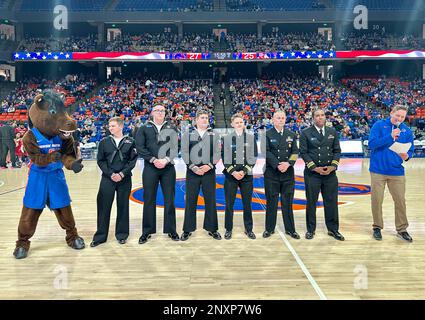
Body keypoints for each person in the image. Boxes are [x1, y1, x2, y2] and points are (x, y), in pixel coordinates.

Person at [368, 104, 415, 242]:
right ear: (391, 113)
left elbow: (410, 150)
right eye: (397, 115)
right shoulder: (378, 125)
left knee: (400, 201)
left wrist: (407, 156)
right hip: (378, 170)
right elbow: (372, 144)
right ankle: (377, 227)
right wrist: (389, 136)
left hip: (397, 171)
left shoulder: (406, 131)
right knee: (377, 200)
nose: (399, 118)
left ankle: (402, 229)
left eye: (402, 117)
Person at [135, 104, 179, 244]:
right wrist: (154, 160)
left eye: (162, 110)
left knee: (169, 200)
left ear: (165, 113)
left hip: (168, 168)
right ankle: (147, 231)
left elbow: (175, 147)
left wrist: (165, 160)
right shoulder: (143, 128)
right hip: (150, 168)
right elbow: (140, 148)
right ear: (152, 112)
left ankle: (171, 230)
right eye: (157, 110)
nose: (160, 112)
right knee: (148, 199)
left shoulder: (171, 128)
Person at [90, 117, 138, 247]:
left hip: (125, 178)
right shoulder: (104, 142)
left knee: (123, 206)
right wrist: (111, 174)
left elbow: (132, 161)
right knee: (103, 207)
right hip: (108, 179)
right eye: (109, 126)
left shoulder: (131, 141)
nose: (110, 128)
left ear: (121, 126)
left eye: (113, 126)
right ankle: (100, 236)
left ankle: (122, 235)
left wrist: (122, 173)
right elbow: (100, 160)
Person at [300, 108, 345, 241]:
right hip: (312, 174)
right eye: (317, 116)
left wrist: (333, 166)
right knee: (311, 202)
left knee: (331, 202)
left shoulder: (332, 132)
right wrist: (314, 168)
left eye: (322, 115)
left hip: (330, 174)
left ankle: (333, 229)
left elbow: (337, 150)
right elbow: (304, 152)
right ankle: (310, 229)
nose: (320, 117)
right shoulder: (305, 133)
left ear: (325, 117)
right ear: (313, 118)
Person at [180, 109, 221, 241]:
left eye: (206, 118)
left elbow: (217, 153)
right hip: (192, 172)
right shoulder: (188, 134)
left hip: (209, 172)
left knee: (210, 200)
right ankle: (187, 229)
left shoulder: (214, 135)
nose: (205, 120)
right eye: (202, 117)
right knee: (191, 201)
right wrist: (193, 167)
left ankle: (212, 229)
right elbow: (184, 152)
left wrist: (209, 166)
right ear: (196, 120)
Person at [263, 109, 300, 239]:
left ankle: (290, 229)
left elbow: (295, 152)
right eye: (278, 118)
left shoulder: (291, 134)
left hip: (288, 174)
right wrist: (278, 164)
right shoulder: (267, 134)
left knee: (287, 202)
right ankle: (269, 229)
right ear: (273, 119)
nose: (280, 120)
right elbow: (266, 152)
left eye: (282, 118)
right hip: (272, 173)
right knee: (271, 202)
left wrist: (288, 163)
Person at [222, 114, 257, 240]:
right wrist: (233, 172)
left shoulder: (251, 137)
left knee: (247, 204)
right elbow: (224, 157)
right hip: (231, 176)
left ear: (244, 123)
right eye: (236, 122)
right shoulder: (226, 138)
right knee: (229, 204)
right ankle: (228, 229)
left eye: (241, 122)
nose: (239, 124)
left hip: (246, 176)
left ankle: (249, 229)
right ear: (232, 124)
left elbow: (253, 156)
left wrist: (244, 171)